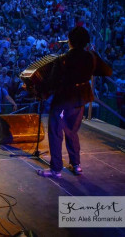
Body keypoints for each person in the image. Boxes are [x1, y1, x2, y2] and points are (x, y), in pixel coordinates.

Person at [38, 27, 112, 178]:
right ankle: (76, 165)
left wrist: (37, 86)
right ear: (86, 42)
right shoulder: (91, 57)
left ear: (69, 41)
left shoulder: (63, 59)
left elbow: (51, 83)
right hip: (81, 99)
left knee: (56, 132)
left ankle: (56, 169)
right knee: (72, 131)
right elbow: (107, 71)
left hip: (64, 99)